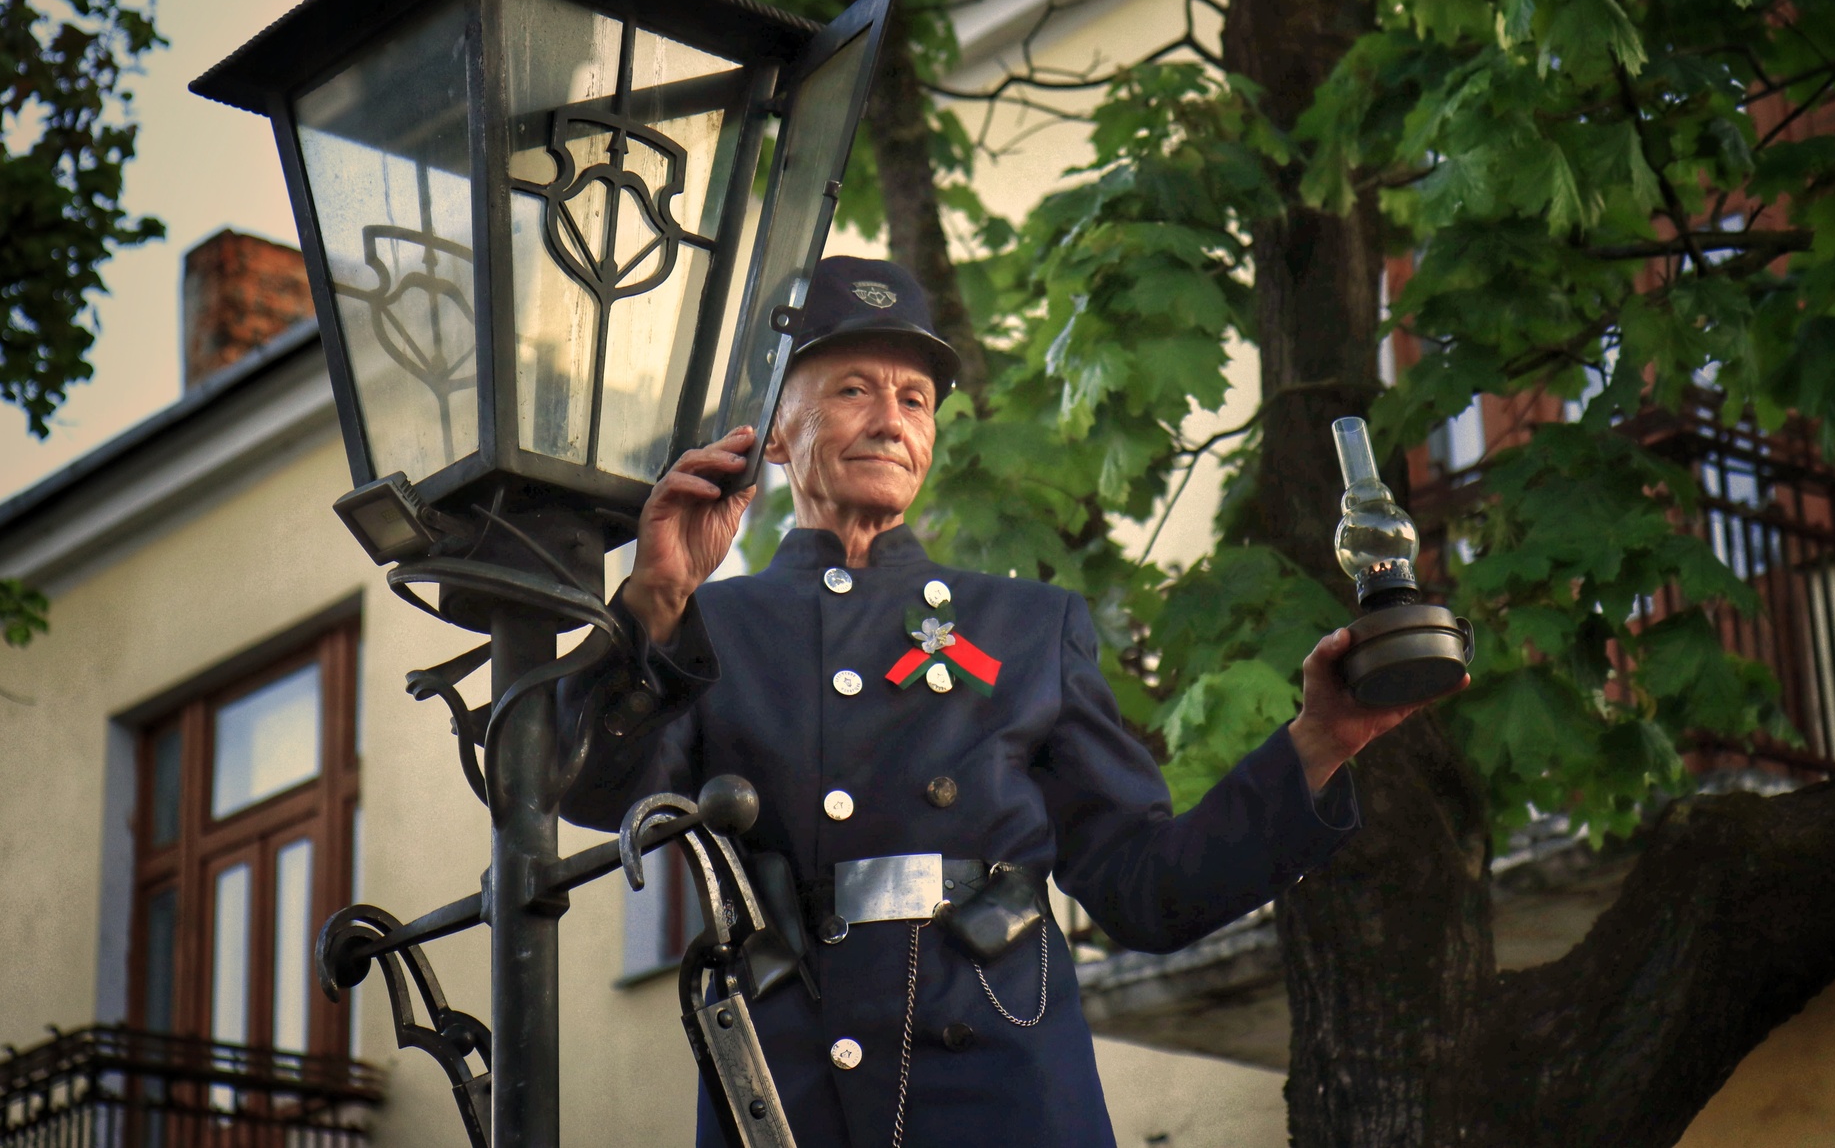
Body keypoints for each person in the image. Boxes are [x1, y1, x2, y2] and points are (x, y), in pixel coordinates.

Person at [560, 256, 1450, 1147]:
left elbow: (1150, 891)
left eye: (914, 399)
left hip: (1003, 1084)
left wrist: (1320, 739)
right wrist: (651, 603)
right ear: (776, 436)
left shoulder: (1027, 626)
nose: (889, 420)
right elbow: (591, 792)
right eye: (853, 390)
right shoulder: (710, 624)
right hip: (791, 1088)